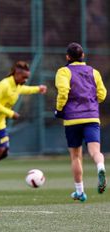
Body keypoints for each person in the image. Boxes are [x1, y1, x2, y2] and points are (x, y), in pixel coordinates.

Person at [54, 42, 107, 202]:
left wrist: (59, 109)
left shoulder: (64, 71)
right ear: (83, 56)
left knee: (76, 156)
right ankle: (100, 167)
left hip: (72, 119)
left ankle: (80, 191)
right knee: (95, 151)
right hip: (92, 117)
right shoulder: (94, 72)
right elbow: (102, 94)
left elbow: (63, 92)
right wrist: (90, 103)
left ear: (67, 57)